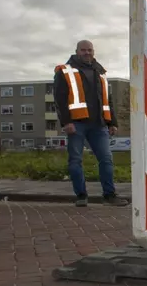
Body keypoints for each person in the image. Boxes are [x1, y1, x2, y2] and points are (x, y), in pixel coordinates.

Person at [53, 40, 128, 207]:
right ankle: (81, 195)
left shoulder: (100, 72)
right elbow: (59, 98)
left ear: (93, 52)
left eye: (90, 50)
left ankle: (109, 195)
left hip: (99, 124)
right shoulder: (65, 71)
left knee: (106, 159)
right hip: (76, 124)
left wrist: (111, 122)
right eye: (83, 50)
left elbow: (108, 100)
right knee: (75, 161)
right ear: (77, 51)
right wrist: (66, 121)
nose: (87, 52)